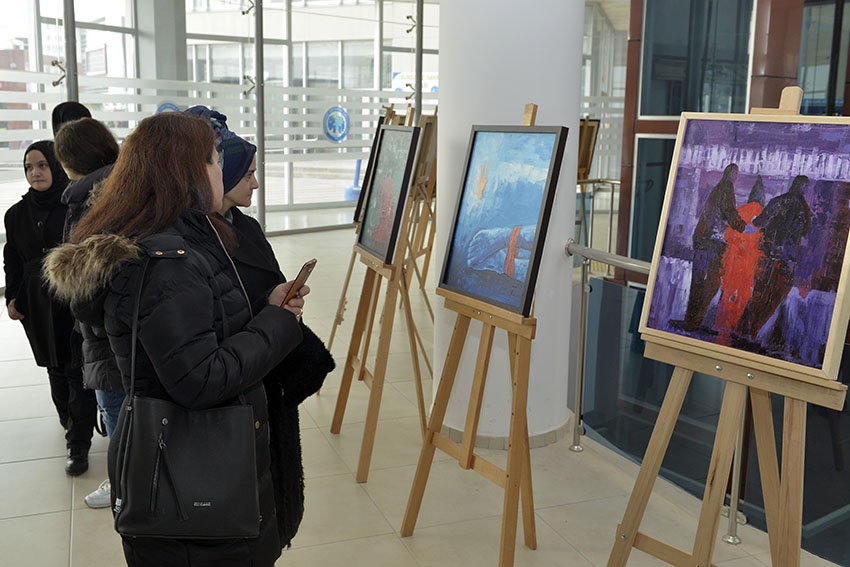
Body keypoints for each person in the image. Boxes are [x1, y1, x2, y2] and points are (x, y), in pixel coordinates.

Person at [44, 112, 305, 566]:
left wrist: (267, 306)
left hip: (203, 477)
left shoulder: (186, 237)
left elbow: (203, 328)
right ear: (183, 171)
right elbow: (200, 379)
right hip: (197, 493)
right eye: (214, 159)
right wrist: (278, 324)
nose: (222, 170)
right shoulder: (167, 261)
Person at [186, 105, 335, 549]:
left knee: (275, 490)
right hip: (240, 387)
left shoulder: (243, 227)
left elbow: (259, 287)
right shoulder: (187, 247)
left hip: (267, 372)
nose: (255, 182)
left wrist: (279, 303)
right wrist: (270, 312)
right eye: (245, 172)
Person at [3, 141, 97, 476]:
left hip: (70, 296)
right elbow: (11, 257)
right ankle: (68, 422)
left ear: (56, 167)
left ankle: (79, 443)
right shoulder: (15, 214)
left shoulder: (75, 205)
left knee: (76, 368)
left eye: (42, 165)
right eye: (29, 167)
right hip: (35, 300)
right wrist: (12, 296)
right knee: (53, 367)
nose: (35, 173)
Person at [54, 116, 123, 508]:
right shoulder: (129, 184)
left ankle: (123, 485)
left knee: (115, 408)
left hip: (105, 331)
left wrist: (83, 310)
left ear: (68, 160)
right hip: (134, 323)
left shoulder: (85, 198)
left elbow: (85, 281)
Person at [738, 174, 813, 340]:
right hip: (788, 259)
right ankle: (754, 331)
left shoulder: (778, 201)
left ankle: (743, 330)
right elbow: (806, 232)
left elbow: (760, 222)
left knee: (759, 292)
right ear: (804, 188)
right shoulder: (804, 209)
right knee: (775, 296)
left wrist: (754, 220)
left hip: (769, 254)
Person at [677, 163, 747, 333]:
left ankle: (690, 321)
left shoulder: (718, 188)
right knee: (712, 283)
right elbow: (729, 211)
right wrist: (743, 227)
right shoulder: (726, 188)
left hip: (702, 240)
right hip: (713, 243)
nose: (737, 178)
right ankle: (695, 322)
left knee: (698, 282)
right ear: (734, 175)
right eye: (736, 174)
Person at [714, 176, 765, 344]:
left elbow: (727, 234)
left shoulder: (740, 210)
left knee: (727, 292)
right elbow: (763, 244)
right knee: (743, 296)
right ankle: (732, 327)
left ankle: (720, 325)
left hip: (732, 260)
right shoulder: (764, 216)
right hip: (750, 265)